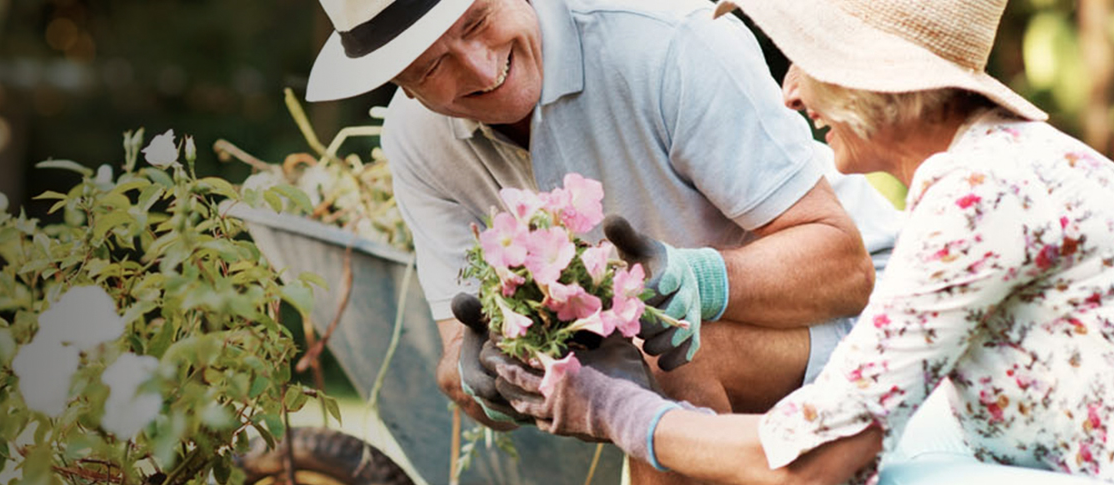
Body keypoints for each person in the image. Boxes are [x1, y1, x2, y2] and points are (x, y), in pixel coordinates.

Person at [495, 0, 1114, 483]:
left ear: (878, 82)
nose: (789, 94)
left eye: (804, 61)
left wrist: (610, 408)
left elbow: (817, 458)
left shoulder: (984, 194)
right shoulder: (985, 171)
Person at [303, 0, 904, 481]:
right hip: (674, 382)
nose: (481, 71)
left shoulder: (666, 43)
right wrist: (485, 375)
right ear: (401, 85)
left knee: (662, 346)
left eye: (478, 21)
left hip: (870, 328)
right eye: (431, 68)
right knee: (646, 348)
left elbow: (847, 268)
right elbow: (458, 350)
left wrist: (701, 280)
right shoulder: (415, 141)